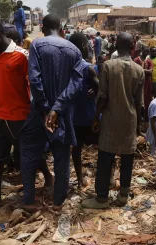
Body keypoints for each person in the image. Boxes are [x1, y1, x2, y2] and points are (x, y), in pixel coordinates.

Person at [0, 19, 52, 210]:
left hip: (19, 116)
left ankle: (46, 178)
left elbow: (35, 85)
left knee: (28, 153)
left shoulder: (22, 56)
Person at [21, 14, 87, 211]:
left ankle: (29, 199)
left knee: (29, 151)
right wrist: (57, 109)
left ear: (42, 27)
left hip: (41, 111)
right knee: (61, 156)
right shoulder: (74, 50)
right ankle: (59, 201)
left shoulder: (37, 45)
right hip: (63, 113)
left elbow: (34, 78)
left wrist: (46, 108)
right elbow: (76, 83)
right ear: (61, 28)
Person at [81, 32, 144, 209]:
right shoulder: (139, 70)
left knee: (105, 159)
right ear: (132, 47)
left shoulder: (108, 66)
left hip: (110, 119)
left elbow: (102, 97)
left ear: (116, 46)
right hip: (129, 120)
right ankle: (123, 195)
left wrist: (95, 118)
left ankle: (101, 198)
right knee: (127, 160)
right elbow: (139, 103)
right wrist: (138, 126)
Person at [69, 33, 100, 188]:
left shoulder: (66, 66)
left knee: (76, 148)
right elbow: (102, 91)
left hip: (74, 117)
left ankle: (80, 179)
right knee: (102, 146)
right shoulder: (88, 69)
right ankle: (104, 178)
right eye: (87, 44)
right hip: (90, 115)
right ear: (83, 46)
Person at [134, 46, 153, 119]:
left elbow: (150, 72)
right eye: (145, 51)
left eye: (148, 51)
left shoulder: (149, 61)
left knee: (147, 99)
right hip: (137, 83)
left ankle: (144, 116)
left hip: (147, 83)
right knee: (137, 99)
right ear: (142, 50)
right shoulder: (136, 60)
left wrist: (140, 70)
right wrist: (145, 70)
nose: (147, 52)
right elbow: (134, 71)